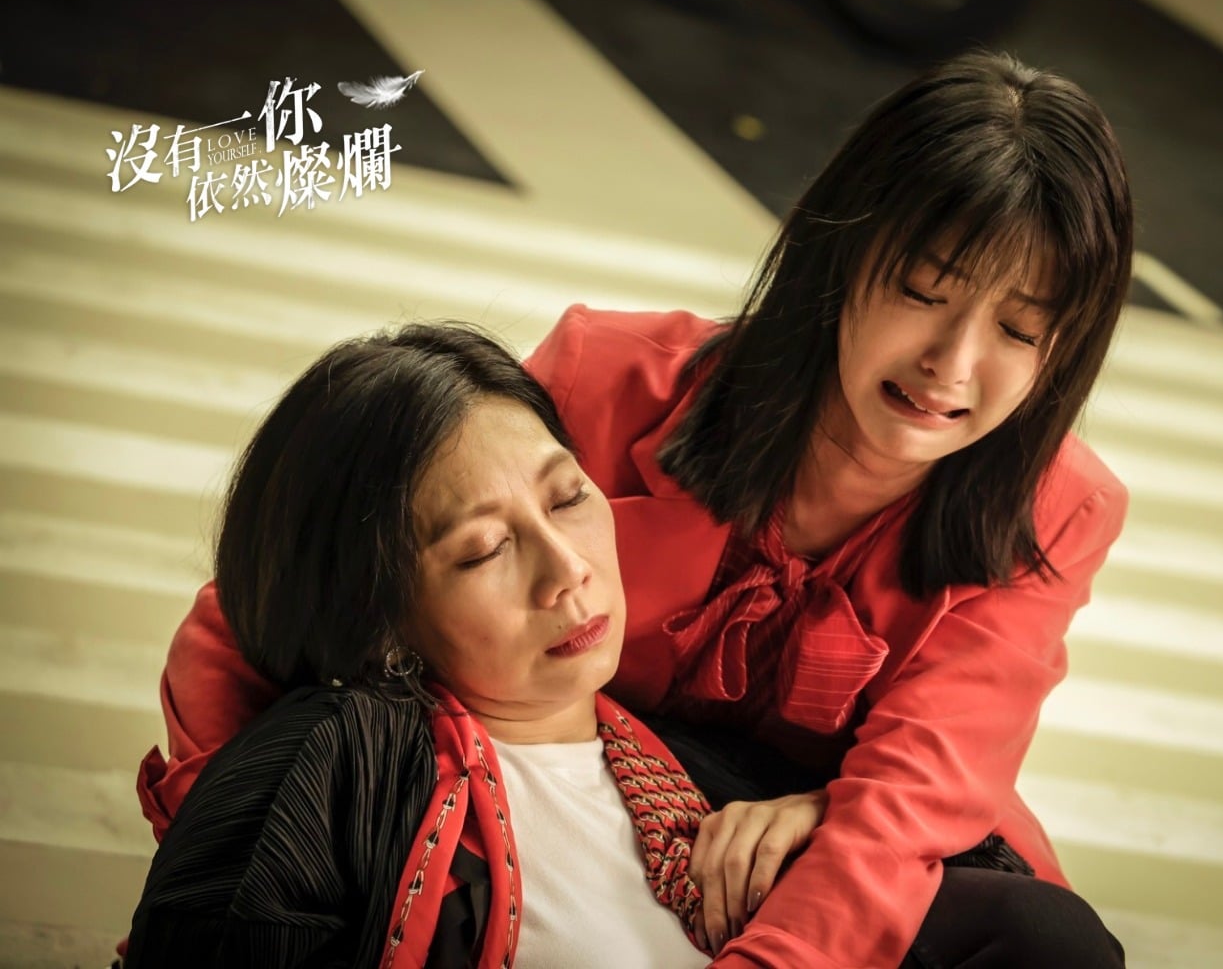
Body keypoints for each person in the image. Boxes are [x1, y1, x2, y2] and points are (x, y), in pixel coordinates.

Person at [142, 50, 1134, 966]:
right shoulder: (610, 379)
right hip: (547, 797)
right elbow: (275, 594)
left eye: (1020, 330)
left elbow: (912, 799)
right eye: (923, 291)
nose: (953, 365)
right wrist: (259, 845)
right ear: (840, 255)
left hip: (823, 857)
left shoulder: (1059, 509)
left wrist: (824, 812)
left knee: (1051, 947)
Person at [128, 324, 826, 967]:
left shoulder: (734, 780)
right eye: (484, 549)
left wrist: (827, 822)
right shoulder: (328, 768)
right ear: (381, 620)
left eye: (568, 499)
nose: (566, 570)